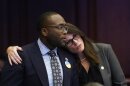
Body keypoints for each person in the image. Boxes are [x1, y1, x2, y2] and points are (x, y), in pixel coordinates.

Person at [6, 23, 127, 86]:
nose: (75, 42)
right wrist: (11, 49)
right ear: (63, 45)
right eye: (68, 42)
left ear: (80, 34)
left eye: (75, 36)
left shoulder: (104, 49)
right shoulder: (65, 58)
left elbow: (120, 83)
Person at [0, 12, 79, 86]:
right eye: (60, 27)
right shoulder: (20, 56)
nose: (65, 32)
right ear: (44, 31)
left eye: (65, 28)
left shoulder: (68, 56)